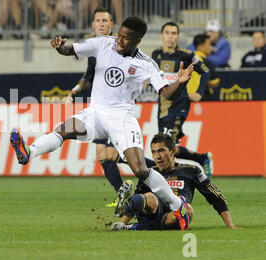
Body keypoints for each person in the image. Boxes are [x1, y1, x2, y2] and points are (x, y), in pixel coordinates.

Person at [10, 16, 195, 227]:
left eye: (126, 38)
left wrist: (179, 82)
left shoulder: (146, 64)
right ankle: (27, 153)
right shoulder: (103, 43)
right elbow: (71, 50)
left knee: (141, 170)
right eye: (119, 34)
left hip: (122, 118)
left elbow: (167, 93)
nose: (119, 40)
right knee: (64, 130)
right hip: (96, 112)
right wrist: (60, 46)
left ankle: (175, 205)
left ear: (138, 40)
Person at [67, 8, 156, 206]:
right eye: (97, 20)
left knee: (113, 155)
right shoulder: (95, 47)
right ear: (92, 24)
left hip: (119, 112)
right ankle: (123, 194)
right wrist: (75, 90)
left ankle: (156, 171)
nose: (101, 24)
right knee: (104, 156)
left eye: (105, 21)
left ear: (112, 25)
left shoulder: (122, 47)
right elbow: (88, 76)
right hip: (99, 111)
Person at [111, 134, 238, 231]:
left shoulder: (191, 170)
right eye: (154, 152)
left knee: (187, 210)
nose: (157, 156)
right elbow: (140, 200)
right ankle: (126, 211)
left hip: (175, 213)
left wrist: (230, 226)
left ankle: (135, 226)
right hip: (152, 211)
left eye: (161, 151)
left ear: (172, 151)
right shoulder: (149, 173)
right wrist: (122, 221)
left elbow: (215, 197)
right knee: (149, 198)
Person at [151, 21, 213, 177]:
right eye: (167, 33)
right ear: (161, 35)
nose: (170, 37)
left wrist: (199, 92)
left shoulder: (186, 55)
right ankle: (201, 158)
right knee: (167, 145)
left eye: (174, 33)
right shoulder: (156, 54)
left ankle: (172, 178)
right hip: (163, 106)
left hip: (179, 105)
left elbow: (205, 72)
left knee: (165, 145)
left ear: (178, 36)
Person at [192, 33, 220, 100]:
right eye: (209, 44)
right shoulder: (206, 62)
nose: (211, 47)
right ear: (200, 46)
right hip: (204, 99)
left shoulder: (187, 59)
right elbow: (215, 83)